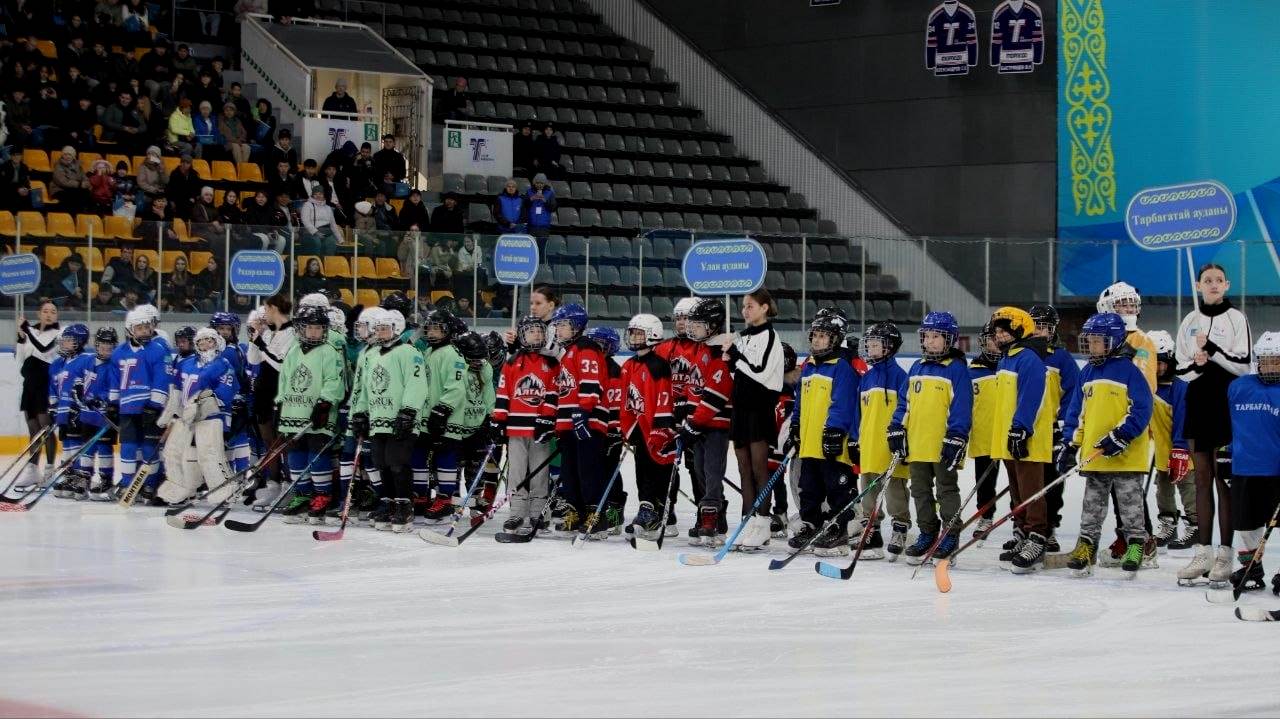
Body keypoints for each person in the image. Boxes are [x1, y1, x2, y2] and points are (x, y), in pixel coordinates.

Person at [1060, 312, 1154, 578]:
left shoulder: (1130, 371)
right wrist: (1070, 444)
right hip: (1095, 455)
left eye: (1097, 341)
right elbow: (1077, 413)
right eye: (1088, 341)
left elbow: (1142, 409)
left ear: (1112, 341)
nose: (1091, 346)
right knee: (1092, 506)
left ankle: (1136, 544)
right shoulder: (1087, 372)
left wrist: (1121, 435)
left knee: (1131, 506)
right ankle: (1086, 546)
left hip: (1126, 457)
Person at [1175, 263, 1252, 586]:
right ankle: (1203, 551)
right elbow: (1181, 370)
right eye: (1208, 280)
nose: (1214, 284)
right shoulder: (1190, 320)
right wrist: (1198, 362)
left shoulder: (1237, 319)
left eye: (1219, 280)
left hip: (1227, 406)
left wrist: (1215, 352)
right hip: (1199, 405)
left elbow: (1244, 365)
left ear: (1227, 284)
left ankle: (1225, 553)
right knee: (1202, 478)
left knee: (1224, 479)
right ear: (1198, 286)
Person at [886, 311, 972, 563]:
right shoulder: (916, 367)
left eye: (937, 337)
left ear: (950, 340)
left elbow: (962, 407)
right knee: (920, 490)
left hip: (944, 443)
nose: (931, 341)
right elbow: (904, 402)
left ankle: (950, 533)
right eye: (927, 336)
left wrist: (956, 436)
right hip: (917, 442)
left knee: (946, 488)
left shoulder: (956, 369)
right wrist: (896, 427)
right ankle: (927, 532)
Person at [784, 310, 858, 556]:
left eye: (823, 336)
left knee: (837, 488)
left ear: (835, 339)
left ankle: (840, 529)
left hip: (831, 443)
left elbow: (843, 403)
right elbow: (800, 403)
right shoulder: (810, 366)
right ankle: (811, 524)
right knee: (808, 487)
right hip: (809, 442)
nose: (816, 340)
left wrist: (835, 431)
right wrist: (795, 425)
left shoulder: (842, 367)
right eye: (814, 335)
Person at [1094, 283, 1158, 566]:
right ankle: (1126, 536)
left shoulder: (1141, 340)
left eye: (1132, 304)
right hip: (1106, 419)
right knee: (1111, 486)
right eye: (1123, 304)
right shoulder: (1103, 337)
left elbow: (1145, 380)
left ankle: (1143, 540)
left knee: (1129, 487)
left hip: (1130, 422)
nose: (1129, 309)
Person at [989, 306, 1056, 574]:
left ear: (1020, 328)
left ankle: (1037, 536)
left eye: (1005, 330)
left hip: (1026, 437)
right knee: (1017, 490)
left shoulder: (1028, 358)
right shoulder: (1007, 358)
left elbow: (1033, 397)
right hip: (1008, 438)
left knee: (1031, 490)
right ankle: (1022, 532)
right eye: (997, 331)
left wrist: (1021, 428)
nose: (1000, 335)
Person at [717, 288, 785, 550]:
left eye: (750, 306)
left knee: (759, 469)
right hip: (741, 409)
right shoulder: (742, 336)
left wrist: (737, 358)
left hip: (760, 408)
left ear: (765, 307)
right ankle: (749, 520)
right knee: (743, 469)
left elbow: (761, 370)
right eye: (743, 306)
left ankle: (763, 522)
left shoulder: (770, 336)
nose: (745, 310)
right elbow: (739, 372)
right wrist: (730, 361)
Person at [350, 309, 428, 532]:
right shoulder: (372, 354)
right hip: (378, 418)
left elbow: (417, 383)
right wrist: (360, 412)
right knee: (381, 463)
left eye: (385, 328)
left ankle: (404, 505)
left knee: (397, 463)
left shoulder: (409, 352)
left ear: (397, 329)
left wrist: (409, 411)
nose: (381, 332)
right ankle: (388, 501)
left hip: (400, 419)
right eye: (379, 329)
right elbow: (366, 387)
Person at [274, 306, 346, 523]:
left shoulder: (330, 351)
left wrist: (324, 403)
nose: (314, 332)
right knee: (296, 456)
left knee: (317, 455)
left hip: (318, 415)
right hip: (293, 413)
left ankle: (322, 496)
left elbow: (335, 381)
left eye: (318, 328)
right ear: (300, 329)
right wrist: (279, 405)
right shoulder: (293, 351)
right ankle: (302, 496)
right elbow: (285, 380)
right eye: (310, 328)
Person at [155, 328, 240, 507]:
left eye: (209, 340)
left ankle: (224, 491)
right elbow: (177, 389)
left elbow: (226, 391)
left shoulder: (223, 363)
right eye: (201, 341)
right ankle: (182, 489)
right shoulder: (187, 363)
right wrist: (171, 410)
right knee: (174, 452)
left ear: (217, 342)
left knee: (209, 454)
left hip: (210, 418)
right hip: (185, 418)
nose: (204, 344)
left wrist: (201, 406)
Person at [491, 315, 560, 536]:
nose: (537, 335)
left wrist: (547, 419)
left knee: (540, 473)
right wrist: (499, 420)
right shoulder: (511, 363)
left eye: (540, 331)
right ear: (522, 335)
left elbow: (553, 394)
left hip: (539, 429)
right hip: (515, 429)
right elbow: (504, 393)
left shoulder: (551, 363)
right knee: (517, 473)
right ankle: (517, 513)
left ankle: (539, 514)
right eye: (531, 331)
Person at [1225, 332, 1280, 593]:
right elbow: (1230, 425)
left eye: (1276, 361)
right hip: (1245, 468)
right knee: (1246, 524)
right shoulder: (1239, 387)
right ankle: (1252, 569)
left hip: (1276, 470)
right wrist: (1227, 454)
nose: (1270, 366)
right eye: (1266, 361)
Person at [851, 321, 911, 559]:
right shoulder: (866, 378)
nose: (871, 348)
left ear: (890, 347)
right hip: (869, 446)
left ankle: (900, 528)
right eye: (870, 344)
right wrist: (856, 439)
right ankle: (871, 530)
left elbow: (907, 409)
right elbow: (859, 414)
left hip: (891, 445)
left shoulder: (900, 377)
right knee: (868, 491)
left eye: (876, 344)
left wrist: (902, 436)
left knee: (895, 490)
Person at [98, 306, 170, 503]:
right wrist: (113, 404)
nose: (145, 331)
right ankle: (128, 482)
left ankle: (150, 483)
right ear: (130, 329)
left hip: (150, 408)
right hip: (128, 409)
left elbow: (162, 379)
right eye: (140, 328)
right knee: (128, 447)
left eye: (147, 327)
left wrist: (155, 405)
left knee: (149, 448)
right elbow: (115, 380)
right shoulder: (119, 353)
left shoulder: (158, 349)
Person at [547, 303, 606, 534]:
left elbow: (591, 382)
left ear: (577, 326)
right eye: (557, 325)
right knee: (569, 470)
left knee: (588, 469)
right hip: (568, 423)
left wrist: (584, 411)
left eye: (563, 325)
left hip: (586, 422)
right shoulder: (568, 352)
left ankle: (595, 514)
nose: (558, 330)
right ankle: (575, 511)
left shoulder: (586, 348)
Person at [619, 314, 677, 542]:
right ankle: (647, 510)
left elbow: (664, 397)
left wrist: (661, 429)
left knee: (661, 472)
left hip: (658, 431)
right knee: (642, 472)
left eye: (639, 333)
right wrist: (628, 428)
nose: (633, 337)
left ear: (652, 335)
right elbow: (626, 402)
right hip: (639, 429)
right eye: (632, 332)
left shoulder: (659, 366)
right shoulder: (629, 365)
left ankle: (664, 515)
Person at [1030, 304, 1080, 555]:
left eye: (1043, 326)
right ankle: (1027, 529)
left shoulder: (1061, 358)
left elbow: (1073, 395)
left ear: (1052, 329)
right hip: (1028, 431)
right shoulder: (1021, 355)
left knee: (1052, 481)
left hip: (1051, 431)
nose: (1038, 331)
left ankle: (1048, 528)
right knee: (1028, 482)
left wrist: (1062, 428)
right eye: (1034, 325)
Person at [1147, 329, 1198, 550]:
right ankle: (1168, 523)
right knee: (1163, 488)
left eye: (1162, 362)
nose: (1157, 368)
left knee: (1188, 487)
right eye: (1153, 362)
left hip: (1182, 450)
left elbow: (1183, 421)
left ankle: (1196, 525)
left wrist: (1180, 448)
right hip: (1160, 451)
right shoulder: (1147, 387)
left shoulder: (1180, 389)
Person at [246, 294, 296, 509]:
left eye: (266, 308)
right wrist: (257, 336)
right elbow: (253, 359)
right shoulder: (269, 332)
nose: (263, 313)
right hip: (264, 393)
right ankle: (273, 483)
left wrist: (262, 343)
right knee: (268, 442)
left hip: (280, 391)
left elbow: (282, 365)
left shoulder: (292, 332)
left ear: (274, 307)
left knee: (282, 442)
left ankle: (288, 484)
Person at [13, 302, 61, 491]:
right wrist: (20, 336)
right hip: (30, 384)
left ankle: (49, 469)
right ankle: (32, 469)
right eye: (45, 311)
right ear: (39, 313)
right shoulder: (32, 331)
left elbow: (44, 349)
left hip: (46, 383)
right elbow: (20, 359)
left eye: (53, 312)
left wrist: (28, 332)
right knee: (33, 428)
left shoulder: (59, 333)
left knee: (45, 427)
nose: (49, 315)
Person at [969, 321, 1004, 543]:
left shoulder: (1012, 365)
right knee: (984, 480)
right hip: (984, 435)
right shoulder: (973, 370)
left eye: (997, 338)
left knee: (1019, 480)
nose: (994, 343)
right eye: (989, 339)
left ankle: (1021, 519)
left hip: (1011, 435)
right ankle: (986, 514)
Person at [300, 187, 339, 256]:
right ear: (312, 195)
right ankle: (316, 263)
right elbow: (305, 221)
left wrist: (340, 239)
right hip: (310, 233)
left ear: (324, 195)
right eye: (315, 194)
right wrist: (316, 232)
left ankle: (327, 264)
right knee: (316, 242)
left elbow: (333, 224)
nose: (318, 196)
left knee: (332, 242)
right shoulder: (307, 205)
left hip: (326, 232)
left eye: (320, 194)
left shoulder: (328, 207)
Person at [50, 146, 90, 212]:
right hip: (59, 189)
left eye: (70, 154)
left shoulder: (78, 166)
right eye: (65, 154)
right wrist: (79, 184)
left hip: (74, 189)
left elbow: (84, 177)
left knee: (86, 192)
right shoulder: (58, 166)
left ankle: (81, 214)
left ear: (73, 156)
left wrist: (86, 183)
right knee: (74, 195)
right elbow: (63, 182)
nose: (67, 156)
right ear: (62, 156)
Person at [525, 173, 556, 253]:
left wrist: (545, 201)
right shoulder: (529, 192)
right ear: (534, 183)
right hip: (531, 226)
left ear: (544, 183)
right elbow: (524, 206)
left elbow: (553, 208)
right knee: (530, 250)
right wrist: (531, 199)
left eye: (541, 183)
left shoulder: (550, 193)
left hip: (544, 227)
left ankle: (541, 265)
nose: (539, 185)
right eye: (537, 183)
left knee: (542, 250)